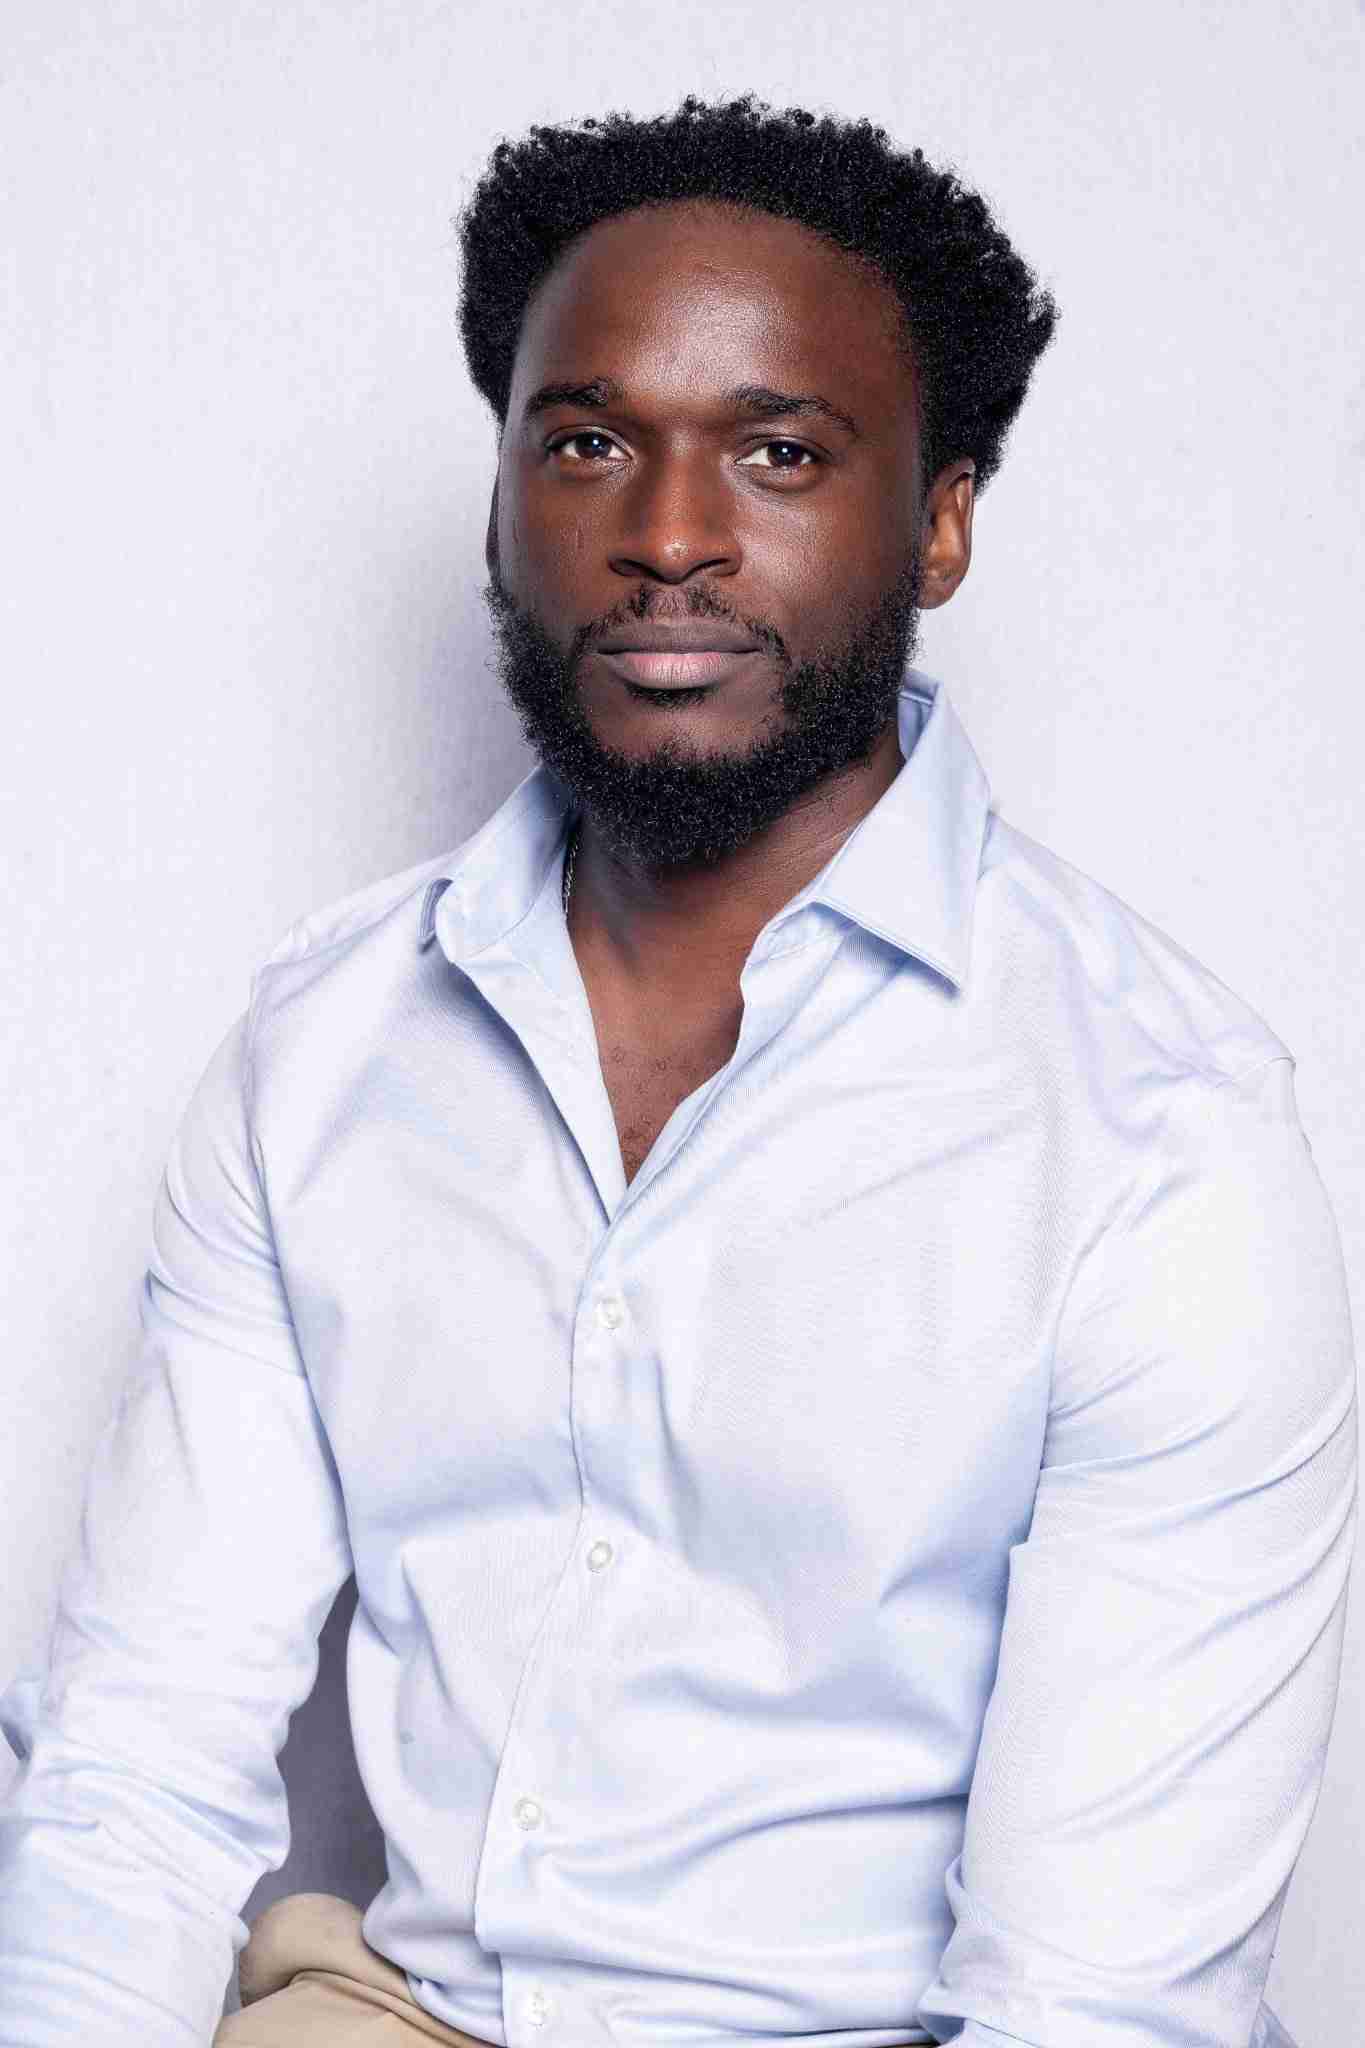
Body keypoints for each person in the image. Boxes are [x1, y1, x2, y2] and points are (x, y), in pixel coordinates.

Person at [0, 93, 1352, 2048]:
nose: (664, 537)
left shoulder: (1163, 1143)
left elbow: (1093, 1997)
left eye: (778, 451)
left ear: (940, 523)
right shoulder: (324, 1052)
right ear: (499, 502)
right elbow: (135, 1767)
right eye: (585, 443)